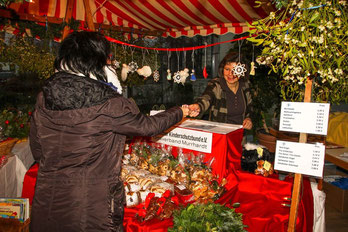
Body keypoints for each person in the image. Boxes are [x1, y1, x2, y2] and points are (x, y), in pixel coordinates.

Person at [29, 31, 189, 232]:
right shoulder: (108, 102)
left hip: (49, 197)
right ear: (97, 61)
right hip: (92, 205)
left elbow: (37, 149)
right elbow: (148, 126)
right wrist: (180, 111)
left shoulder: (44, 96)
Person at [189, 52, 253, 130]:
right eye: (227, 69)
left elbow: (249, 107)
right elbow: (206, 98)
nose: (231, 74)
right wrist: (198, 106)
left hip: (240, 135)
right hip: (219, 135)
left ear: (242, 71)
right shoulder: (216, 85)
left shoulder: (245, 85)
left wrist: (248, 119)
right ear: (222, 69)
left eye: (235, 70)